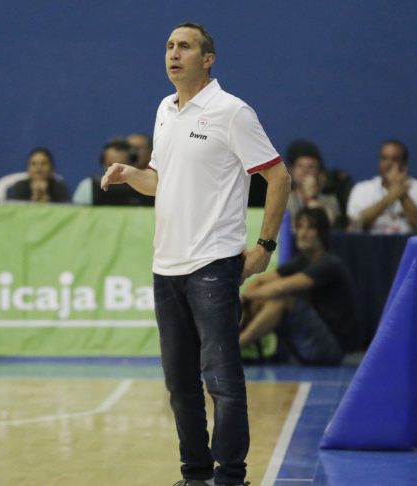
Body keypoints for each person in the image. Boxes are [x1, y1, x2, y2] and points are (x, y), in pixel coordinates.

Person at [101, 23, 291, 486]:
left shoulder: (232, 112)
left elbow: (279, 177)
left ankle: (231, 476)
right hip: (165, 266)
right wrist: (131, 174)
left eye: (184, 47)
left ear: (207, 59)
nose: (173, 53)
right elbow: (160, 180)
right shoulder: (165, 109)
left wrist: (264, 246)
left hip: (213, 264)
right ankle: (195, 474)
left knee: (221, 379)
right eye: (169, 46)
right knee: (180, 382)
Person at [239, 208, 356, 364]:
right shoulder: (301, 260)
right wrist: (248, 299)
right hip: (308, 344)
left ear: (322, 233)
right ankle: (235, 343)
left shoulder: (329, 264)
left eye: (310, 228)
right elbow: (260, 281)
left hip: (332, 348)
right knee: (259, 299)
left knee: (281, 300)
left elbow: (281, 287)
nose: (302, 233)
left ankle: (236, 347)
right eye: (299, 227)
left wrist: (245, 295)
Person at [346, 140, 417, 233]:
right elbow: (355, 224)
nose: (388, 164)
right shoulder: (361, 189)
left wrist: (402, 194)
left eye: (395, 159)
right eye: (384, 159)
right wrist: (389, 198)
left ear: (404, 163)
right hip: (371, 241)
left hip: (408, 241)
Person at [72, 139, 154, 206]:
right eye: (110, 165)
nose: (114, 170)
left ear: (133, 164)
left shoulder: (147, 184)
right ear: (102, 163)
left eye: (121, 166)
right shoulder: (89, 186)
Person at [284, 140, 341, 226]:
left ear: (319, 172)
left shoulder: (329, 200)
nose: (305, 171)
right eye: (300, 166)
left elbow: (326, 225)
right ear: (291, 170)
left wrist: (311, 198)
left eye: (311, 167)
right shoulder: (283, 199)